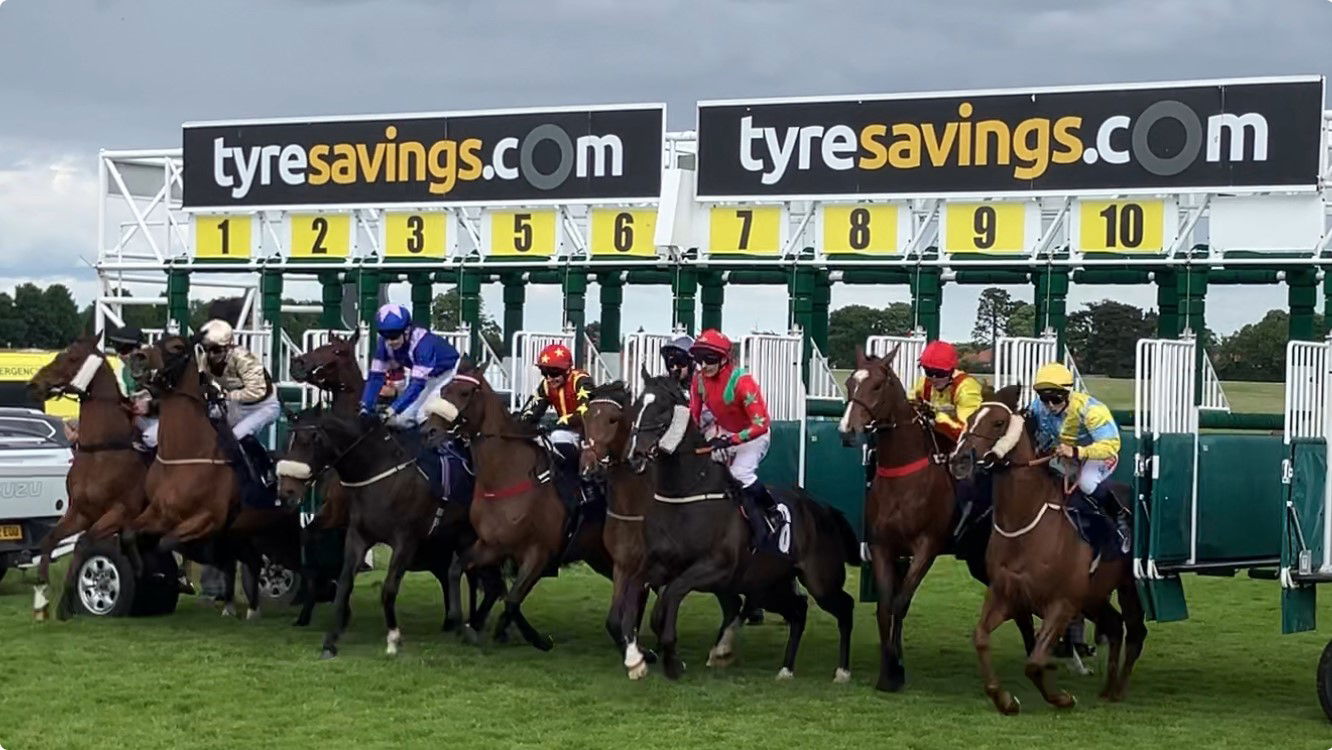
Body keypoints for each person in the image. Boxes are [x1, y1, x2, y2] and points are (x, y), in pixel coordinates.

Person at [688, 329, 778, 551]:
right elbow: (694, 415)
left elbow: (761, 424)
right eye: (699, 359)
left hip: (753, 435)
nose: (704, 365)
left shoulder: (743, 382)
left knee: (740, 473)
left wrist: (731, 440)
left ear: (724, 359)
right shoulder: (698, 380)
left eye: (710, 359)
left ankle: (771, 512)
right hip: (724, 432)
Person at [1028, 362, 1130, 551]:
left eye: (1055, 399)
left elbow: (1111, 445)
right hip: (1065, 455)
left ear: (1067, 394)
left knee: (1086, 483)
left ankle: (1120, 518)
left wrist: (1076, 452)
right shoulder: (1036, 407)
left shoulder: (1092, 410)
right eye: (1044, 399)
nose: (1049, 405)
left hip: (1099, 455)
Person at [359, 304, 461, 428]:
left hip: (450, 373)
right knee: (402, 419)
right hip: (428, 377)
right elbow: (375, 377)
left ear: (406, 330)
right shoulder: (384, 344)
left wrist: (392, 409)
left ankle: (443, 445)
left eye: (394, 336)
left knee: (419, 415)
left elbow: (417, 385)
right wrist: (365, 407)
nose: (390, 342)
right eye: (385, 336)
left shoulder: (423, 345)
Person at [200, 320, 281, 443]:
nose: (210, 355)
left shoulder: (244, 359)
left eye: (216, 350)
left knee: (235, 436)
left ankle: (262, 462)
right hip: (236, 404)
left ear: (228, 347)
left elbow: (256, 392)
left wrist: (226, 396)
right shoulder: (205, 359)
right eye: (206, 349)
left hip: (263, 406)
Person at [519, 342, 593, 458]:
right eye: (544, 372)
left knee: (558, 436)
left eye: (554, 373)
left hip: (586, 432)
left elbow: (585, 412)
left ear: (567, 370)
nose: (549, 378)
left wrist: (557, 423)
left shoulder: (581, 380)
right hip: (565, 430)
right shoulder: (546, 385)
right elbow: (530, 412)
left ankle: (572, 475)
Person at [909, 340, 984, 444]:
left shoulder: (967, 388)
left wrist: (937, 417)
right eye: (928, 371)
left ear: (951, 370)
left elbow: (966, 431)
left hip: (961, 444)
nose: (934, 378)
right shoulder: (924, 382)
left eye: (940, 373)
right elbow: (906, 404)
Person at [104, 325, 157, 450]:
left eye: (124, 350)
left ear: (137, 349)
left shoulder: (155, 368)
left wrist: (151, 406)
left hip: (161, 418)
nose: (120, 355)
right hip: (137, 419)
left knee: (151, 437)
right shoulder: (120, 372)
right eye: (118, 350)